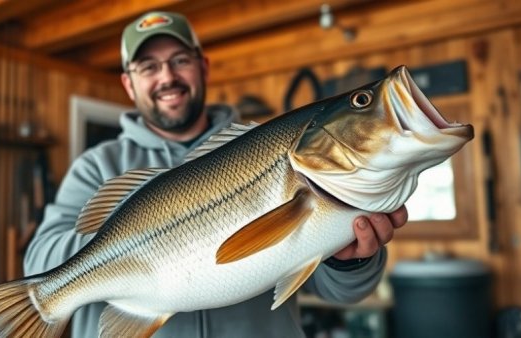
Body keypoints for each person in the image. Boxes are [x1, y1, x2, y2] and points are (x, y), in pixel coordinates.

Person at [24, 11, 408, 338]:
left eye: (180, 60)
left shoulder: (263, 145)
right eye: (148, 67)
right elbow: (38, 263)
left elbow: (341, 292)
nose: (167, 77)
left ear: (202, 66)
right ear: (128, 83)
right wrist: (133, 236)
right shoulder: (97, 165)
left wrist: (349, 260)